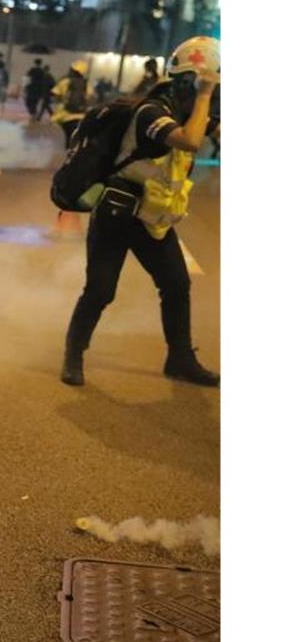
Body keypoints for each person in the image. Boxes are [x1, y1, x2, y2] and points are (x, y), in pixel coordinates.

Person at [61, 37, 220, 388]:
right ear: (189, 81)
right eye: (207, 86)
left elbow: (217, 131)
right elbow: (189, 141)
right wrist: (206, 95)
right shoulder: (153, 112)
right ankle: (74, 353)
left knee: (176, 285)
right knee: (101, 290)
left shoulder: (188, 111)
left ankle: (179, 359)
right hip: (117, 212)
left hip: (153, 218)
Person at [50, 60, 90, 146]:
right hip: (81, 116)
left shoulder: (64, 82)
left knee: (68, 137)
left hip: (66, 116)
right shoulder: (86, 84)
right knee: (77, 138)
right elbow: (91, 98)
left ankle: (69, 152)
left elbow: (55, 95)